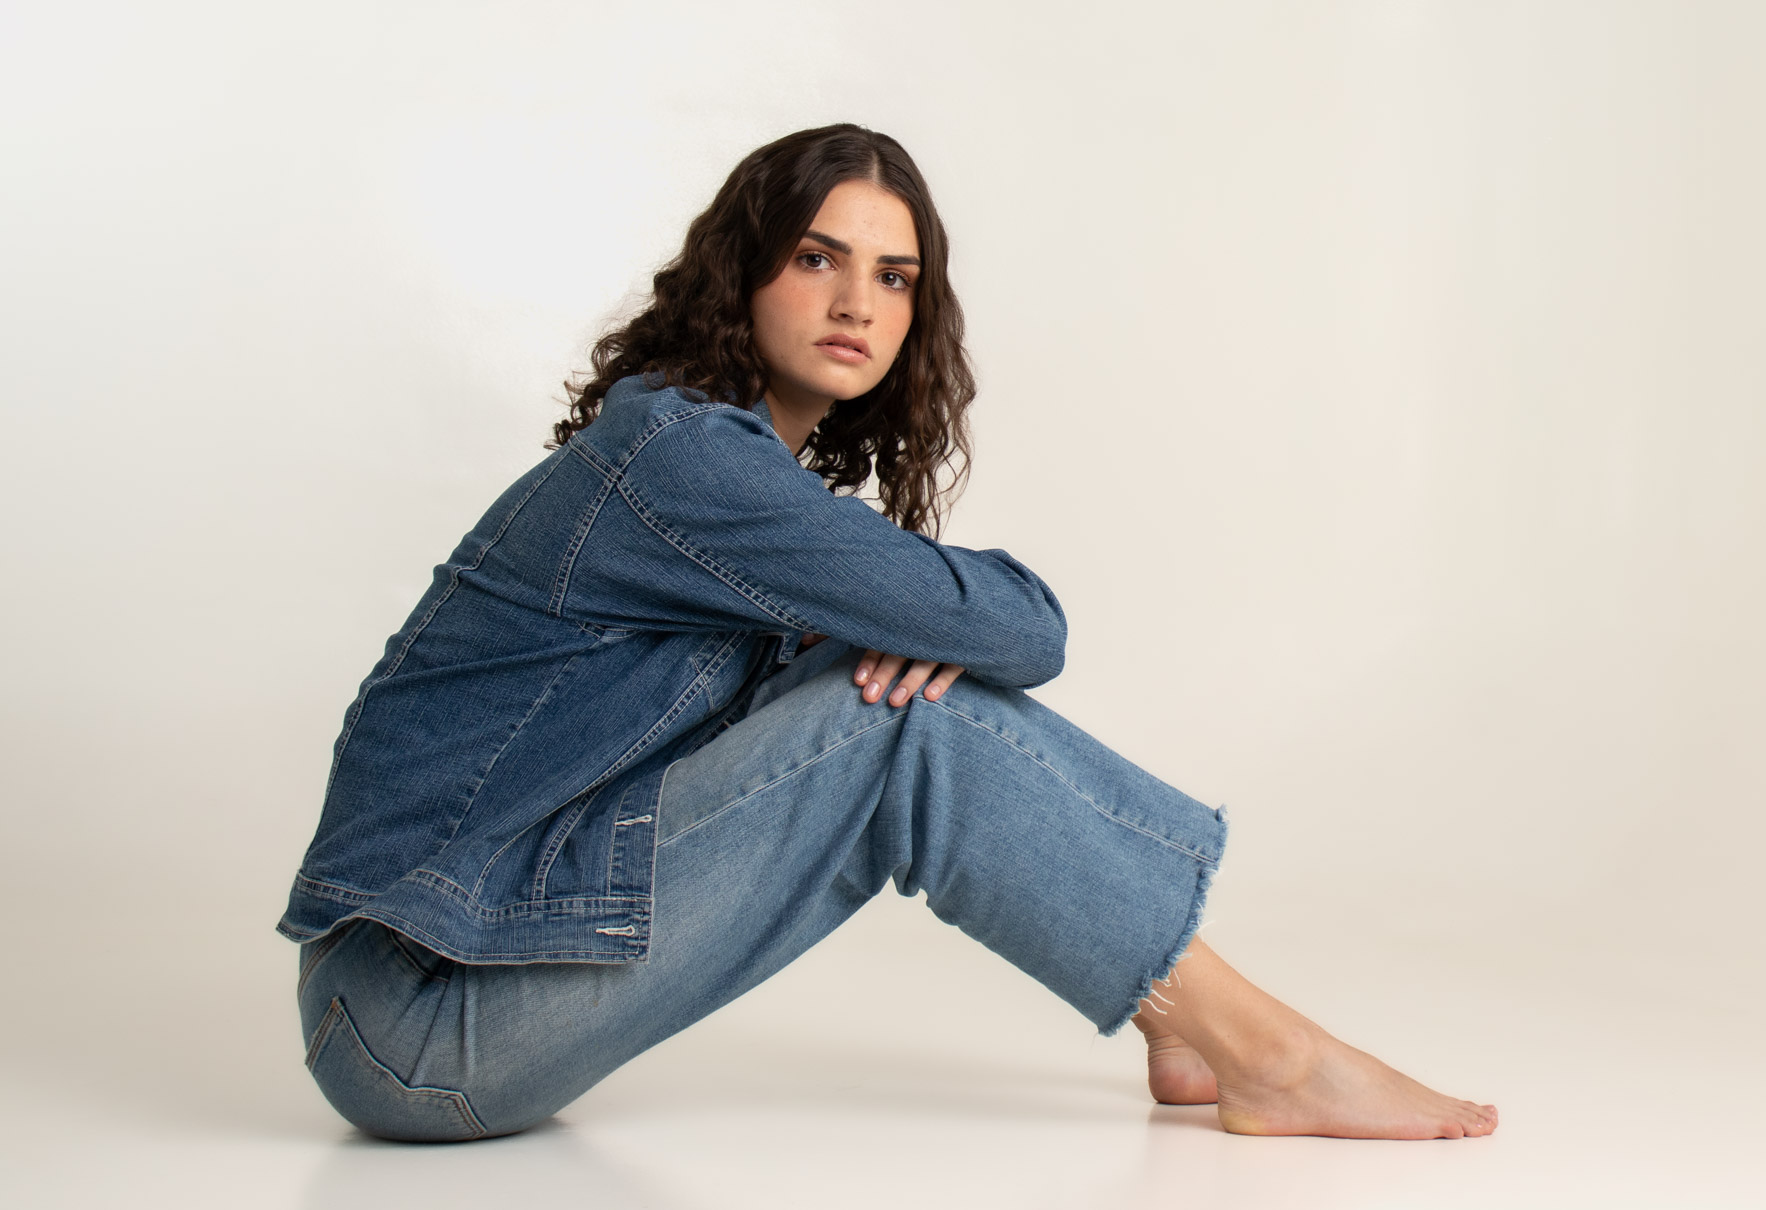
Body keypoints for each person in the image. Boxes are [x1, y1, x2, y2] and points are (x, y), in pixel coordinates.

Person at [280, 122, 1496, 1143]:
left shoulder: (727, 469)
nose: (857, 302)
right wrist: (920, 635)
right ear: (742, 272)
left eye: (895, 277)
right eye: (817, 258)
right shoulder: (685, 462)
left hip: (452, 979)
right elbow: (1027, 628)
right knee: (902, 725)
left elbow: (973, 636)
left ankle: (1180, 1018)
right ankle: (1266, 1054)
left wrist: (899, 642)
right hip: (409, 1017)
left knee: (892, 697)